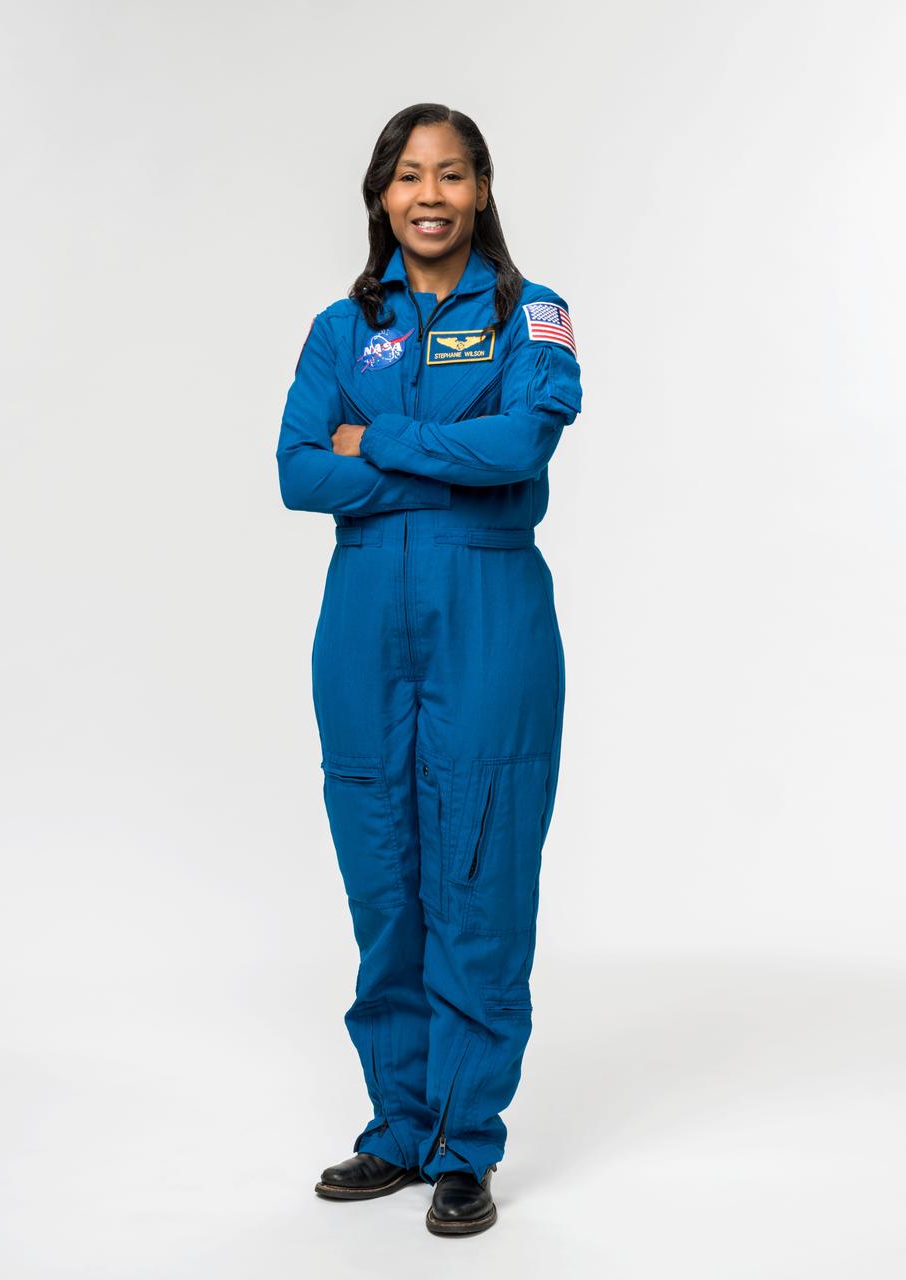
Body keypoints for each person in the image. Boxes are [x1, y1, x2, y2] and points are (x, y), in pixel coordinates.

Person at [275, 102, 582, 1237]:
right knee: (384, 865)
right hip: (362, 616)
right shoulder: (336, 329)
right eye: (410, 175)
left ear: (482, 189)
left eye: (453, 174)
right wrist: (432, 466)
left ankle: (465, 1142)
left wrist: (383, 445)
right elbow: (299, 472)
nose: (431, 194)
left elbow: (521, 448)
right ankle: (395, 1128)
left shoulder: (527, 312)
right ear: (380, 194)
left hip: (487, 605)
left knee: (479, 867)